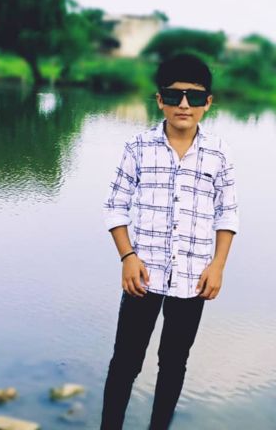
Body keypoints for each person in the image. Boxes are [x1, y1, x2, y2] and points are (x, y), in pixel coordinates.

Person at [99, 52, 240, 430]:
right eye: (175, 95)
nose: (184, 105)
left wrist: (218, 266)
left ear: (208, 103)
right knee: (125, 362)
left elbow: (227, 214)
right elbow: (115, 207)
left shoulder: (219, 154)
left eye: (195, 97)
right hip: (142, 276)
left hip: (193, 278)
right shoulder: (138, 147)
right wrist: (127, 257)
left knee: (174, 362)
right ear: (160, 99)